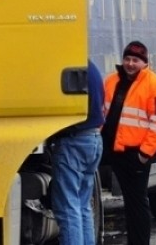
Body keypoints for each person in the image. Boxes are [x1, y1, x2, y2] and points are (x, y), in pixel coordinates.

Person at [101, 41, 156, 245]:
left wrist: (144, 154)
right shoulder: (111, 81)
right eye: (127, 59)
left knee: (136, 204)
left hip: (135, 154)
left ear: (144, 63)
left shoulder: (155, 85)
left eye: (135, 60)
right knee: (130, 204)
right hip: (111, 150)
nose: (130, 64)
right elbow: (102, 112)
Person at [50, 59, 105, 245]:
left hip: (74, 141)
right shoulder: (92, 67)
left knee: (68, 208)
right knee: (83, 207)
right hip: (94, 138)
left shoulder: (70, 66)